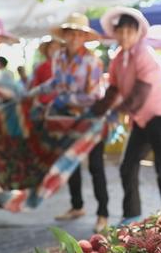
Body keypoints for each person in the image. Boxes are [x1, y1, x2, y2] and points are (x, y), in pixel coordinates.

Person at [91, 7, 161, 225]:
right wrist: (96, 111)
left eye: (130, 31)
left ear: (138, 33)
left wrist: (114, 113)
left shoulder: (145, 54)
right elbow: (112, 89)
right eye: (121, 31)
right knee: (127, 166)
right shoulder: (118, 58)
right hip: (141, 120)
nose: (125, 36)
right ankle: (131, 214)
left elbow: (140, 95)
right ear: (115, 32)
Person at [30, 13, 109, 232]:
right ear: (64, 36)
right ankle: (77, 206)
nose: (74, 38)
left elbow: (94, 96)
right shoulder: (59, 58)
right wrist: (32, 94)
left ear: (84, 37)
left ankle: (103, 214)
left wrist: (64, 98)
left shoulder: (92, 61)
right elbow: (54, 84)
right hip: (67, 119)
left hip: (91, 119)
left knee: (96, 167)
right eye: (70, 34)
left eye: (78, 34)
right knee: (70, 164)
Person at [30, 36, 63, 104]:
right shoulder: (42, 67)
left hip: (62, 101)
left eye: (57, 48)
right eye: (51, 48)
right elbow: (36, 85)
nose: (54, 50)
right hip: (45, 102)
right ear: (47, 50)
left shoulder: (65, 65)